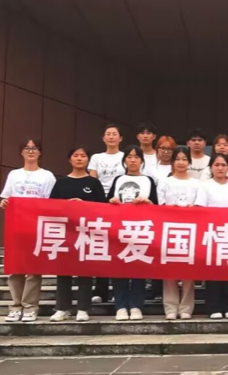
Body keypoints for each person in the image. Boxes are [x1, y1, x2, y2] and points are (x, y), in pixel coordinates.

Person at [0, 139, 56, 323]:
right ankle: (15, 306)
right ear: (21, 152)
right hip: (16, 225)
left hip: (36, 225)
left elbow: (50, 201)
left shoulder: (47, 176)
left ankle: (30, 306)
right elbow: (6, 198)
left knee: (33, 268)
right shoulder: (14, 174)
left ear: (40, 152)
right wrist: (4, 203)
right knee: (15, 267)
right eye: (27, 148)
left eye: (34, 148)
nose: (31, 151)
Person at [49, 146, 104, 323]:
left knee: (84, 270)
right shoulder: (61, 182)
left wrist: (83, 204)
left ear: (88, 160)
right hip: (64, 232)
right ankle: (62, 308)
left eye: (83, 155)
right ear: (69, 159)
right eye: (75, 155)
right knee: (63, 271)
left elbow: (103, 208)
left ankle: (83, 308)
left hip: (86, 232)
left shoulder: (94, 183)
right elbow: (51, 206)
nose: (79, 158)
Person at [107, 145, 159, 321]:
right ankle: (121, 306)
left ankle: (136, 305)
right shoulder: (118, 179)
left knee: (138, 268)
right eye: (129, 157)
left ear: (142, 161)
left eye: (136, 157)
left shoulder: (148, 181)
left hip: (141, 228)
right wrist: (112, 201)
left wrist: (148, 202)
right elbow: (106, 204)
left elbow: (157, 206)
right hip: (119, 229)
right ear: (124, 161)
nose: (133, 160)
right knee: (119, 268)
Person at [195, 153, 228, 319]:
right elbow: (200, 209)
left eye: (223, 165)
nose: (220, 168)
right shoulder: (205, 186)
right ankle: (214, 307)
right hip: (211, 232)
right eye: (216, 165)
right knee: (213, 271)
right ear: (211, 168)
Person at [158, 146, 200, 320]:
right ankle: (170, 307)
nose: (181, 163)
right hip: (169, 229)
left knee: (188, 271)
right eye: (177, 159)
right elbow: (160, 206)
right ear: (172, 162)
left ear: (189, 162)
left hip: (190, 231)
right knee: (169, 270)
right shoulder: (164, 182)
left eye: (184, 159)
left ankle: (186, 308)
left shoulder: (197, 183)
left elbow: (200, 206)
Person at [87, 123, 124, 304]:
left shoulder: (125, 156)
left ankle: (119, 290)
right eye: (108, 134)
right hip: (100, 203)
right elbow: (93, 179)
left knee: (119, 247)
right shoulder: (96, 157)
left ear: (120, 138)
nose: (111, 137)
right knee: (101, 247)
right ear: (103, 138)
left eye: (114, 134)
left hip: (120, 203)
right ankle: (100, 290)